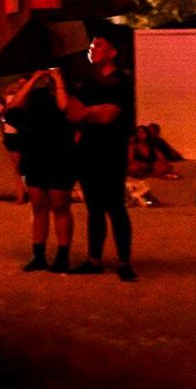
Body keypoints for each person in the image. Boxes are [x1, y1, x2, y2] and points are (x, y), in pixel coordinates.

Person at [65, 33, 137, 280]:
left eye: (99, 45)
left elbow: (109, 116)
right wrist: (92, 111)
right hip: (88, 150)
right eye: (92, 45)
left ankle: (124, 262)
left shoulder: (121, 82)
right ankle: (94, 259)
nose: (93, 49)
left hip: (111, 151)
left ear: (113, 52)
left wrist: (88, 112)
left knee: (115, 206)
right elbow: (73, 113)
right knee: (94, 207)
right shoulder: (87, 83)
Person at [7, 67, 76, 270]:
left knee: (60, 205)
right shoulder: (35, 97)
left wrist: (58, 79)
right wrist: (33, 80)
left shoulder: (67, 94)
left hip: (59, 156)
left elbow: (65, 109)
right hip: (35, 155)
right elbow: (13, 107)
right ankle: (38, 254)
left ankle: (63, 255)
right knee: (38, 205)